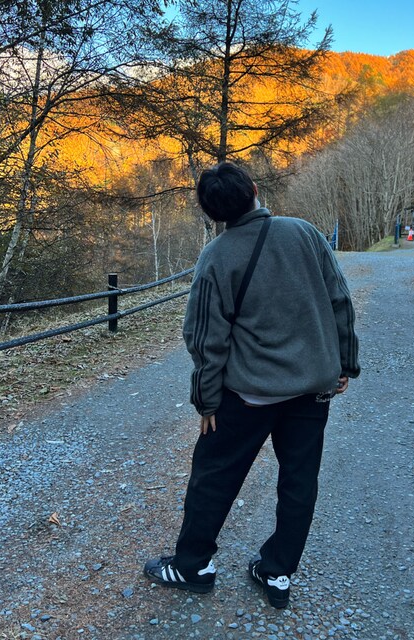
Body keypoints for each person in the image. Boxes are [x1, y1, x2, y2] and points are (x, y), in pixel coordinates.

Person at [144, 162, 360, 609]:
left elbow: (205, 338)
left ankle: (192, 566)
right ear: (255, 190)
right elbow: (339, 299)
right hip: (311, 391)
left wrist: (207, 402)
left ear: (212, 214)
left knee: (213, 476)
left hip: (247, 395)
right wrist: (345, 362)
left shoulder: (216, 256)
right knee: (299, 482)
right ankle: (277, 571)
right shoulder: (305, 233)